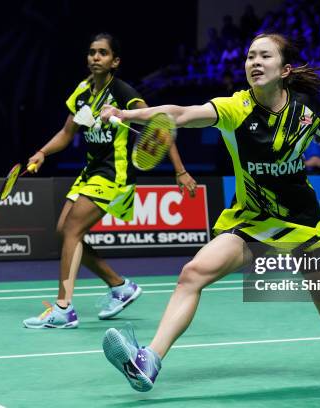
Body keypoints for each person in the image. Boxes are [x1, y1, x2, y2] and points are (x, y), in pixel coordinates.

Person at [99, 33, 320, 391]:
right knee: (192, 273)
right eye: (249, 57)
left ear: (285, 69)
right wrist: (125, 113)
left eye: (264, 56)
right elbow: (181, 114)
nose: (254, 62)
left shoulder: (306, 111)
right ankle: (150, 360)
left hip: (305, 228)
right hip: (252, 222)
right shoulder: (234, 108)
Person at [22, 33, 197, 329]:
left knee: (72, 230)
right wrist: (42, 152)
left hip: (114, 174)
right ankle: (120, 287)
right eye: (91, 52)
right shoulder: (82, 92)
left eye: (102, 53)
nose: (95, 57)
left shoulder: (124, 92)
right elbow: (67, 134)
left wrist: (180, 170)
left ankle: (64, 308)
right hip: (90, 171)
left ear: (115, 61)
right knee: (63, 231)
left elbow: (159, 128)